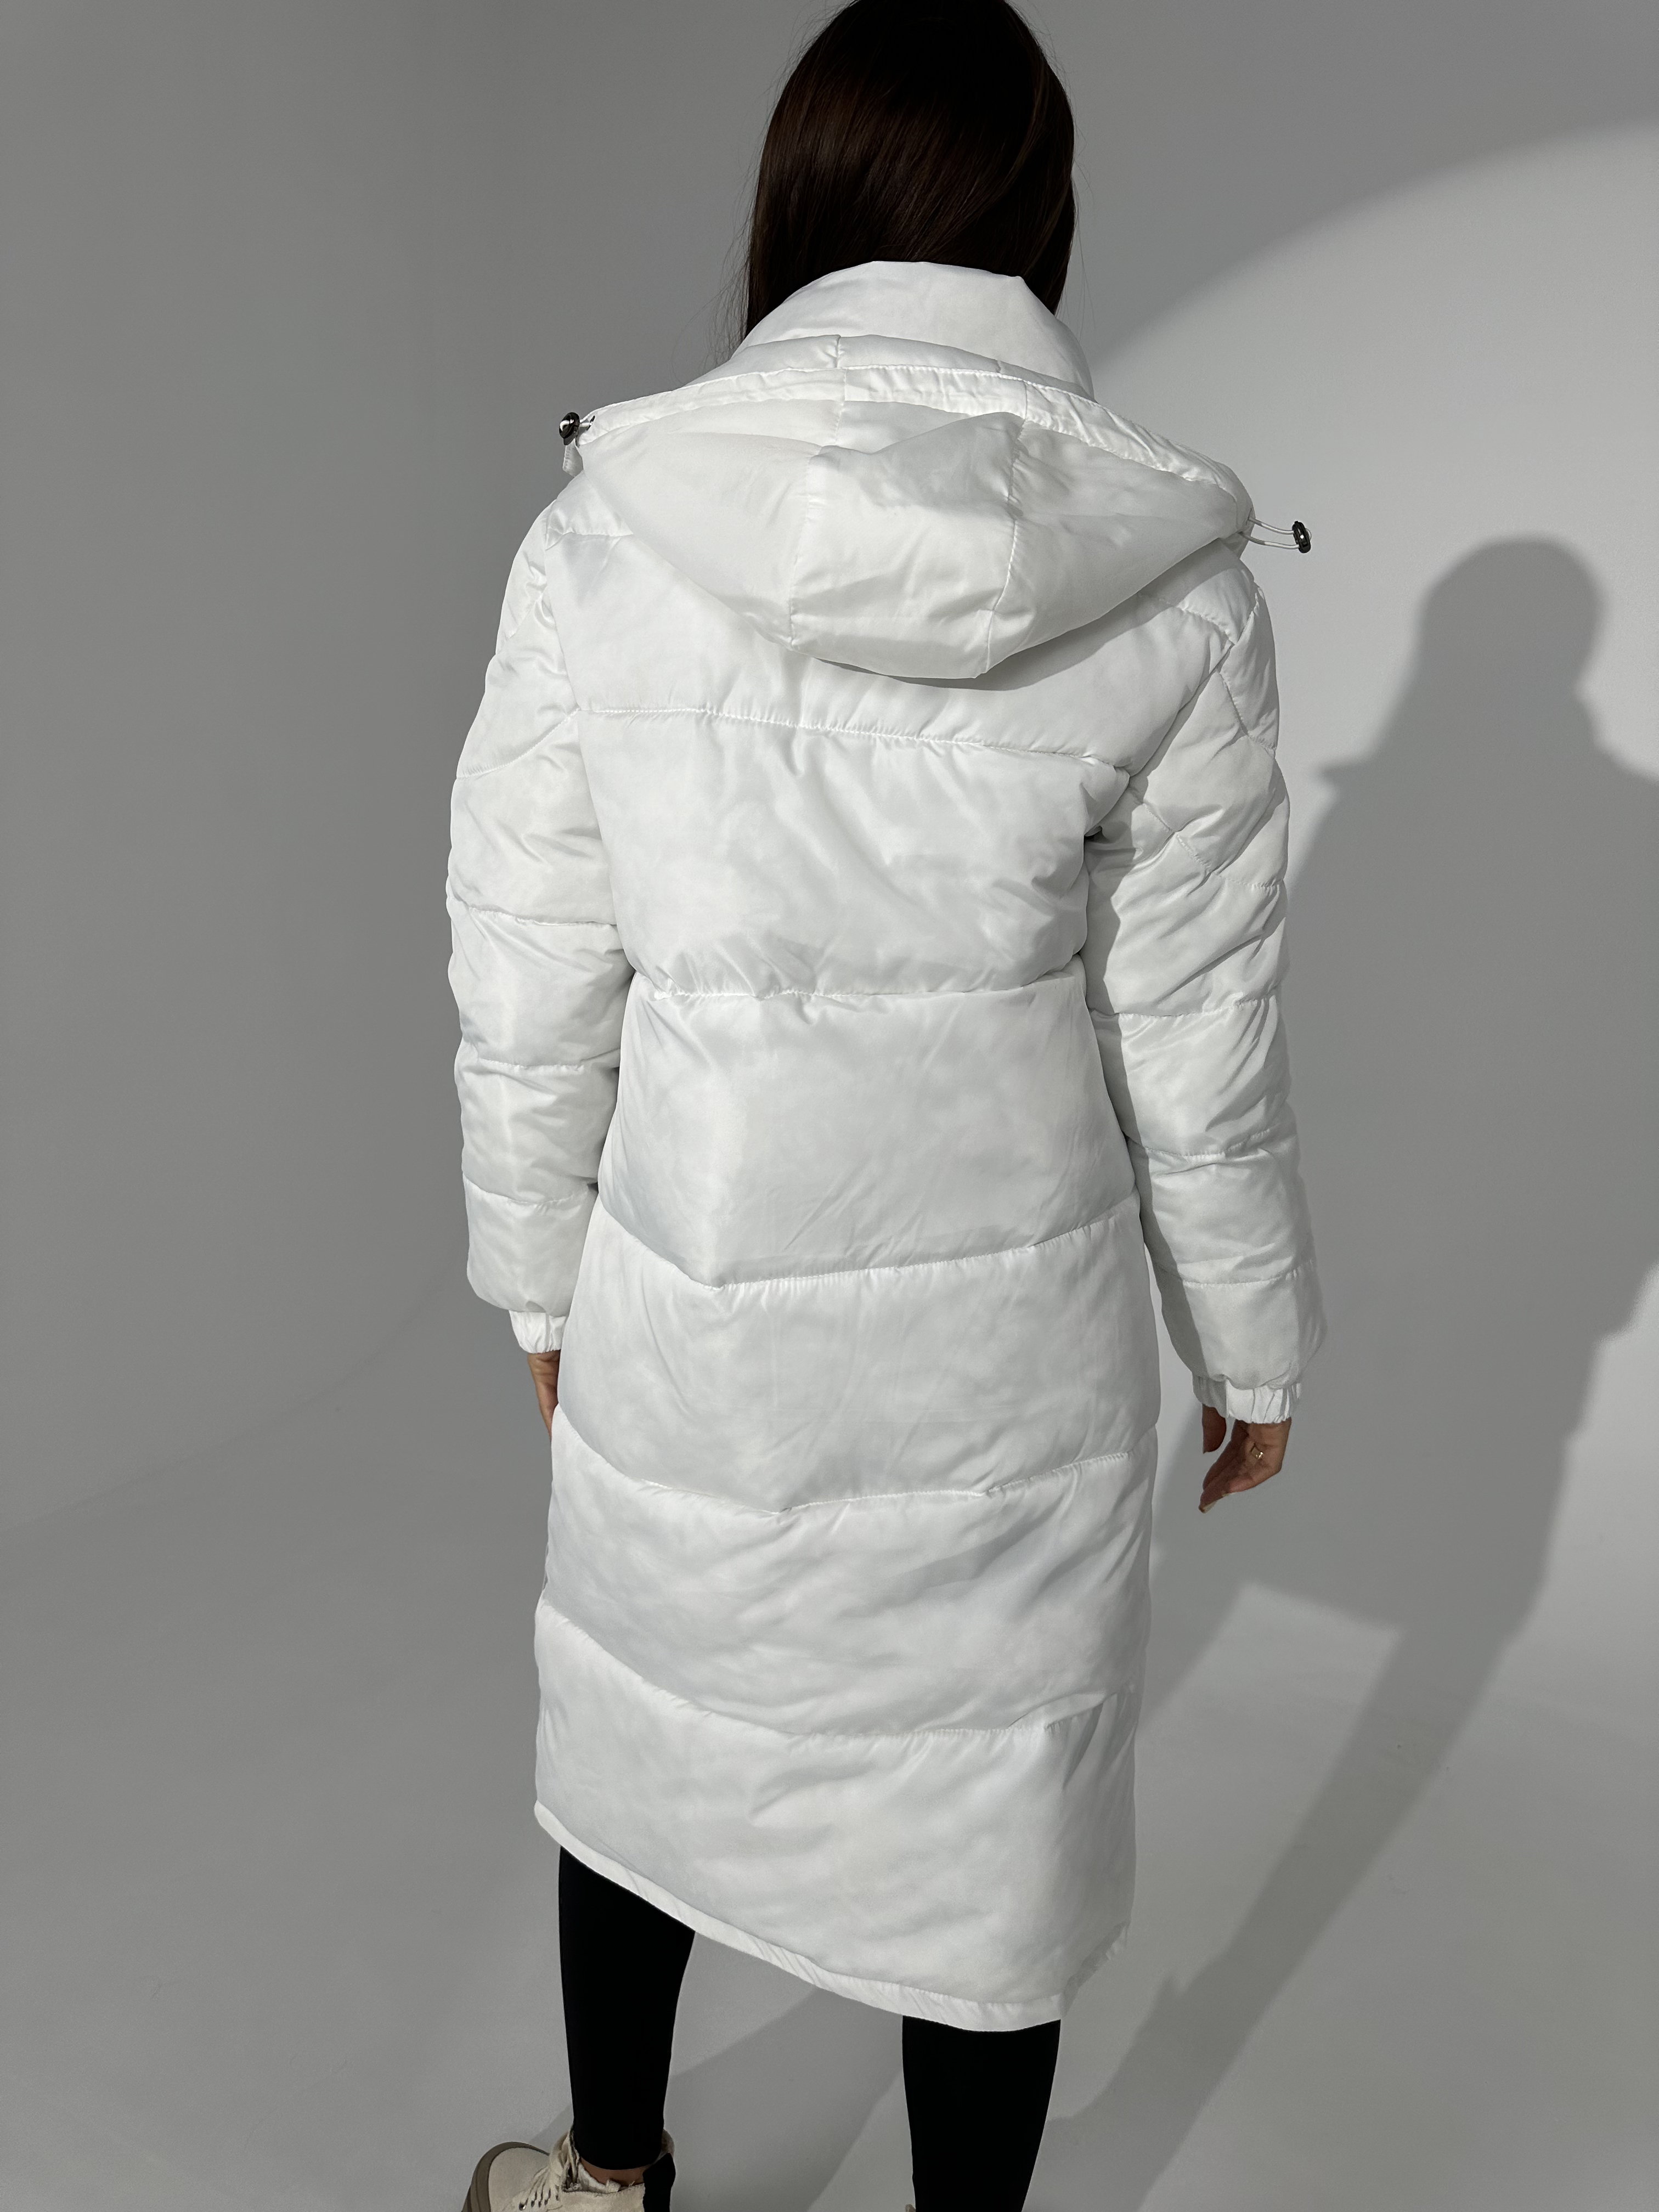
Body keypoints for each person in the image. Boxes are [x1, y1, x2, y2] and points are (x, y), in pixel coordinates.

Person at [448, 2, 1323, 2205]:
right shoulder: (1176, 582)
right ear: (1043, 217)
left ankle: (605, 2180)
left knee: (656, 1720)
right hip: (1005, 1348)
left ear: (799, 204)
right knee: (991, 1803)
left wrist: (539, 1277)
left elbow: (531, 966)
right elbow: (1197, 1027)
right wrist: (1248, 1343)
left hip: (697, 1292)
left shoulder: (608, 534)